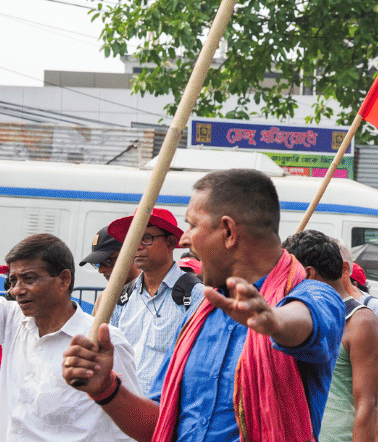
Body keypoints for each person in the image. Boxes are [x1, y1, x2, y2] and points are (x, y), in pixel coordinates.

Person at [62, 169, 346, 442]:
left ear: (228, 232)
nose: (184, 239)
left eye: (192, 224)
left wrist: (273, 321)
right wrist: (105, 389)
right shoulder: (199, 316)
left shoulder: (315, 296)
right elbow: (161, 426)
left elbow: (300, 321)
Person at [3, 233, 140, 441]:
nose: (16, 290)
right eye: (13, 280)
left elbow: (132, 427)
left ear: (64, 279)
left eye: (29, 279)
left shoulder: (103, 344)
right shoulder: (12, 321)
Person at [284, 231, 378, 442]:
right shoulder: (300, 317)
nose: (288, 282)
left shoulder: (361, 321)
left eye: (290, 274)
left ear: (308, 274)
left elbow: (367, 408)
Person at [107, 208, 202, 394]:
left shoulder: (196, 296)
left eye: (147, 238)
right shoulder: (123, 297)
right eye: (133, 239)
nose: (138, 247)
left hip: (166, 411)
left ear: (171, 242)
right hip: (124, 408)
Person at [336, 243, 378, 442]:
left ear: (344, 270)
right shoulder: (322, 305)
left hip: (367, 421)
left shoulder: (375, 309)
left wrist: (375, 431)